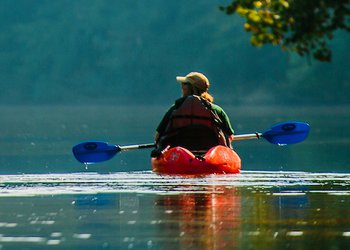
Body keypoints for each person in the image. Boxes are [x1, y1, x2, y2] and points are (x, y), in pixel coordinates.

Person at [152, 72, 234, 156]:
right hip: (210, 157)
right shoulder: (217, 110)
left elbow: (157, 136)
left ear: (191, 88)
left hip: (180, 157)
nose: (181, 86)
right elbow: (230, 137)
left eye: (184, 84)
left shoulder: (175, 109)